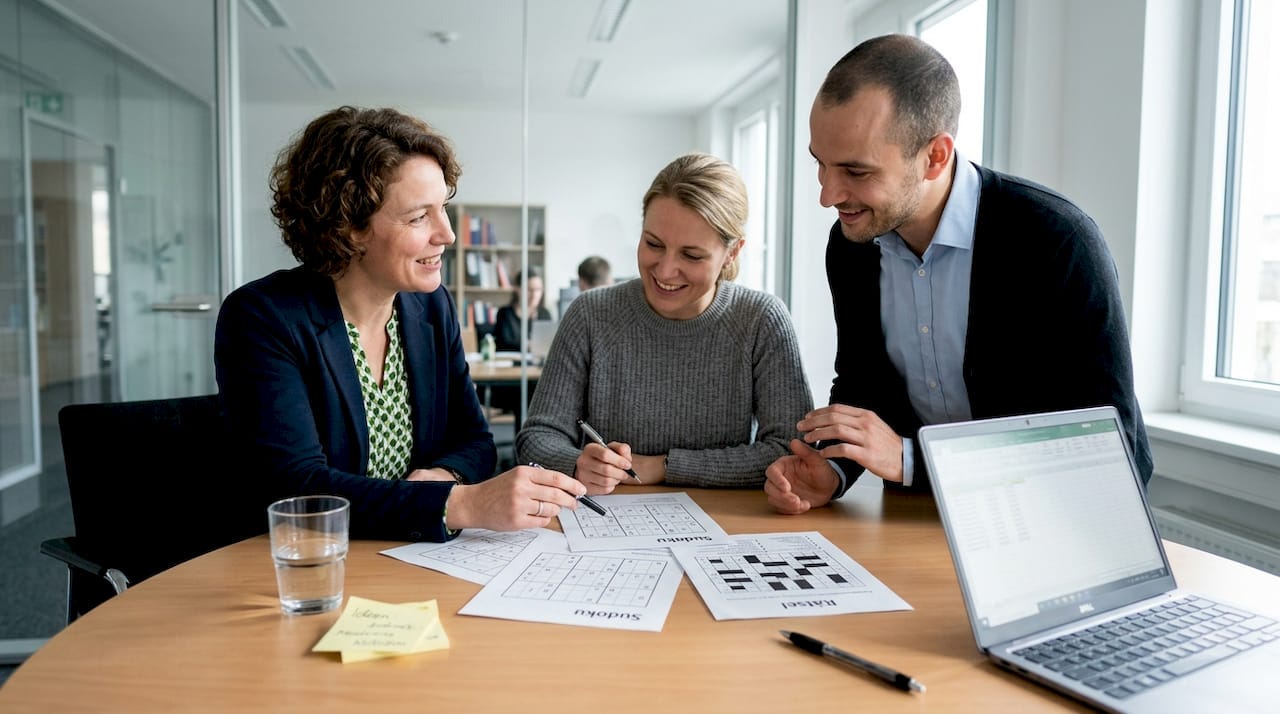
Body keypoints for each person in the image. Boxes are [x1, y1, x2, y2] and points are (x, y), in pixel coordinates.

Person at [765, 34, 1153, 515]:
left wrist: (910, 460)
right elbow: (866, 382)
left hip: (1057, 525)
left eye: (856, 171)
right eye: (820, 164)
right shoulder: (852, 245)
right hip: (918, 520)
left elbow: (1107, 449)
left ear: (935, 156)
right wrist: (835, 467)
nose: (828, 194)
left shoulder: (1058, 242)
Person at [214, 106, 585, 542]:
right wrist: (460, 502)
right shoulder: (264, 317)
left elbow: (476, 441)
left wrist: (443, 476)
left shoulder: (430, 307)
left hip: (411, 555)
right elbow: (298, 489)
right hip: (308, 563)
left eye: (443, 207)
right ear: (350, 227)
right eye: (418, 216)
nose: (446, 234)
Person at [517, 152, 813, 491]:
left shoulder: (761, 321)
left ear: (732, 252)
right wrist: (577, 464)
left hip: (727, 524)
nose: (665, 270)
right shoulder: (590, 315)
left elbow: (791, 452)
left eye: (691, 254)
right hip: (605, 521)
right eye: (653, 244)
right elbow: (537, 439)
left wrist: (665, 466)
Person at [492, 267, 552, 352]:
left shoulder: (545, 314)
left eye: (538, 289)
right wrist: (527, 345)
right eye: (529, 289)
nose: (534, 295)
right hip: (511, 363)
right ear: (518, 289)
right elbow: (502, 345)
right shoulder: (505, 313)